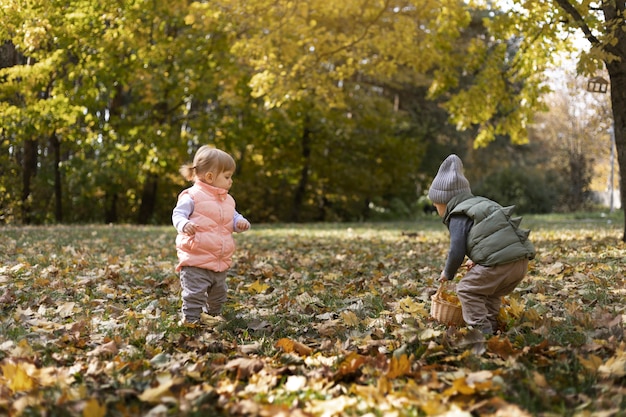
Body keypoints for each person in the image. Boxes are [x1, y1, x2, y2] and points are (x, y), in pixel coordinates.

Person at [427, 154, 535, 335]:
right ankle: (491, 327)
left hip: (500, 263)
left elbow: (456, 250)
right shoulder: (480, 204)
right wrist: (478, 260)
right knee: (490, 293)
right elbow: (491, 236)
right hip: (520, 262)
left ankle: (480, 332)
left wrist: (448, 272)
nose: (436, 209)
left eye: (436, 205)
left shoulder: (457, 214)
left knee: (467, 290)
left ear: (444, 201)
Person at [172, 145, 250, 325]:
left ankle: (213, 316)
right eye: (227, 176)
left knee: (218, 293)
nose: (231, 181)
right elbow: (178, 214)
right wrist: (184, 224)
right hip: (196, 257)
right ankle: (190, 319)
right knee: (195, 292)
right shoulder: (191, 196)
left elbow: (232, 217)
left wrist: (239, 222)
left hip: (219, 259)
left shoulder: (227, 200)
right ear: (210, 177)